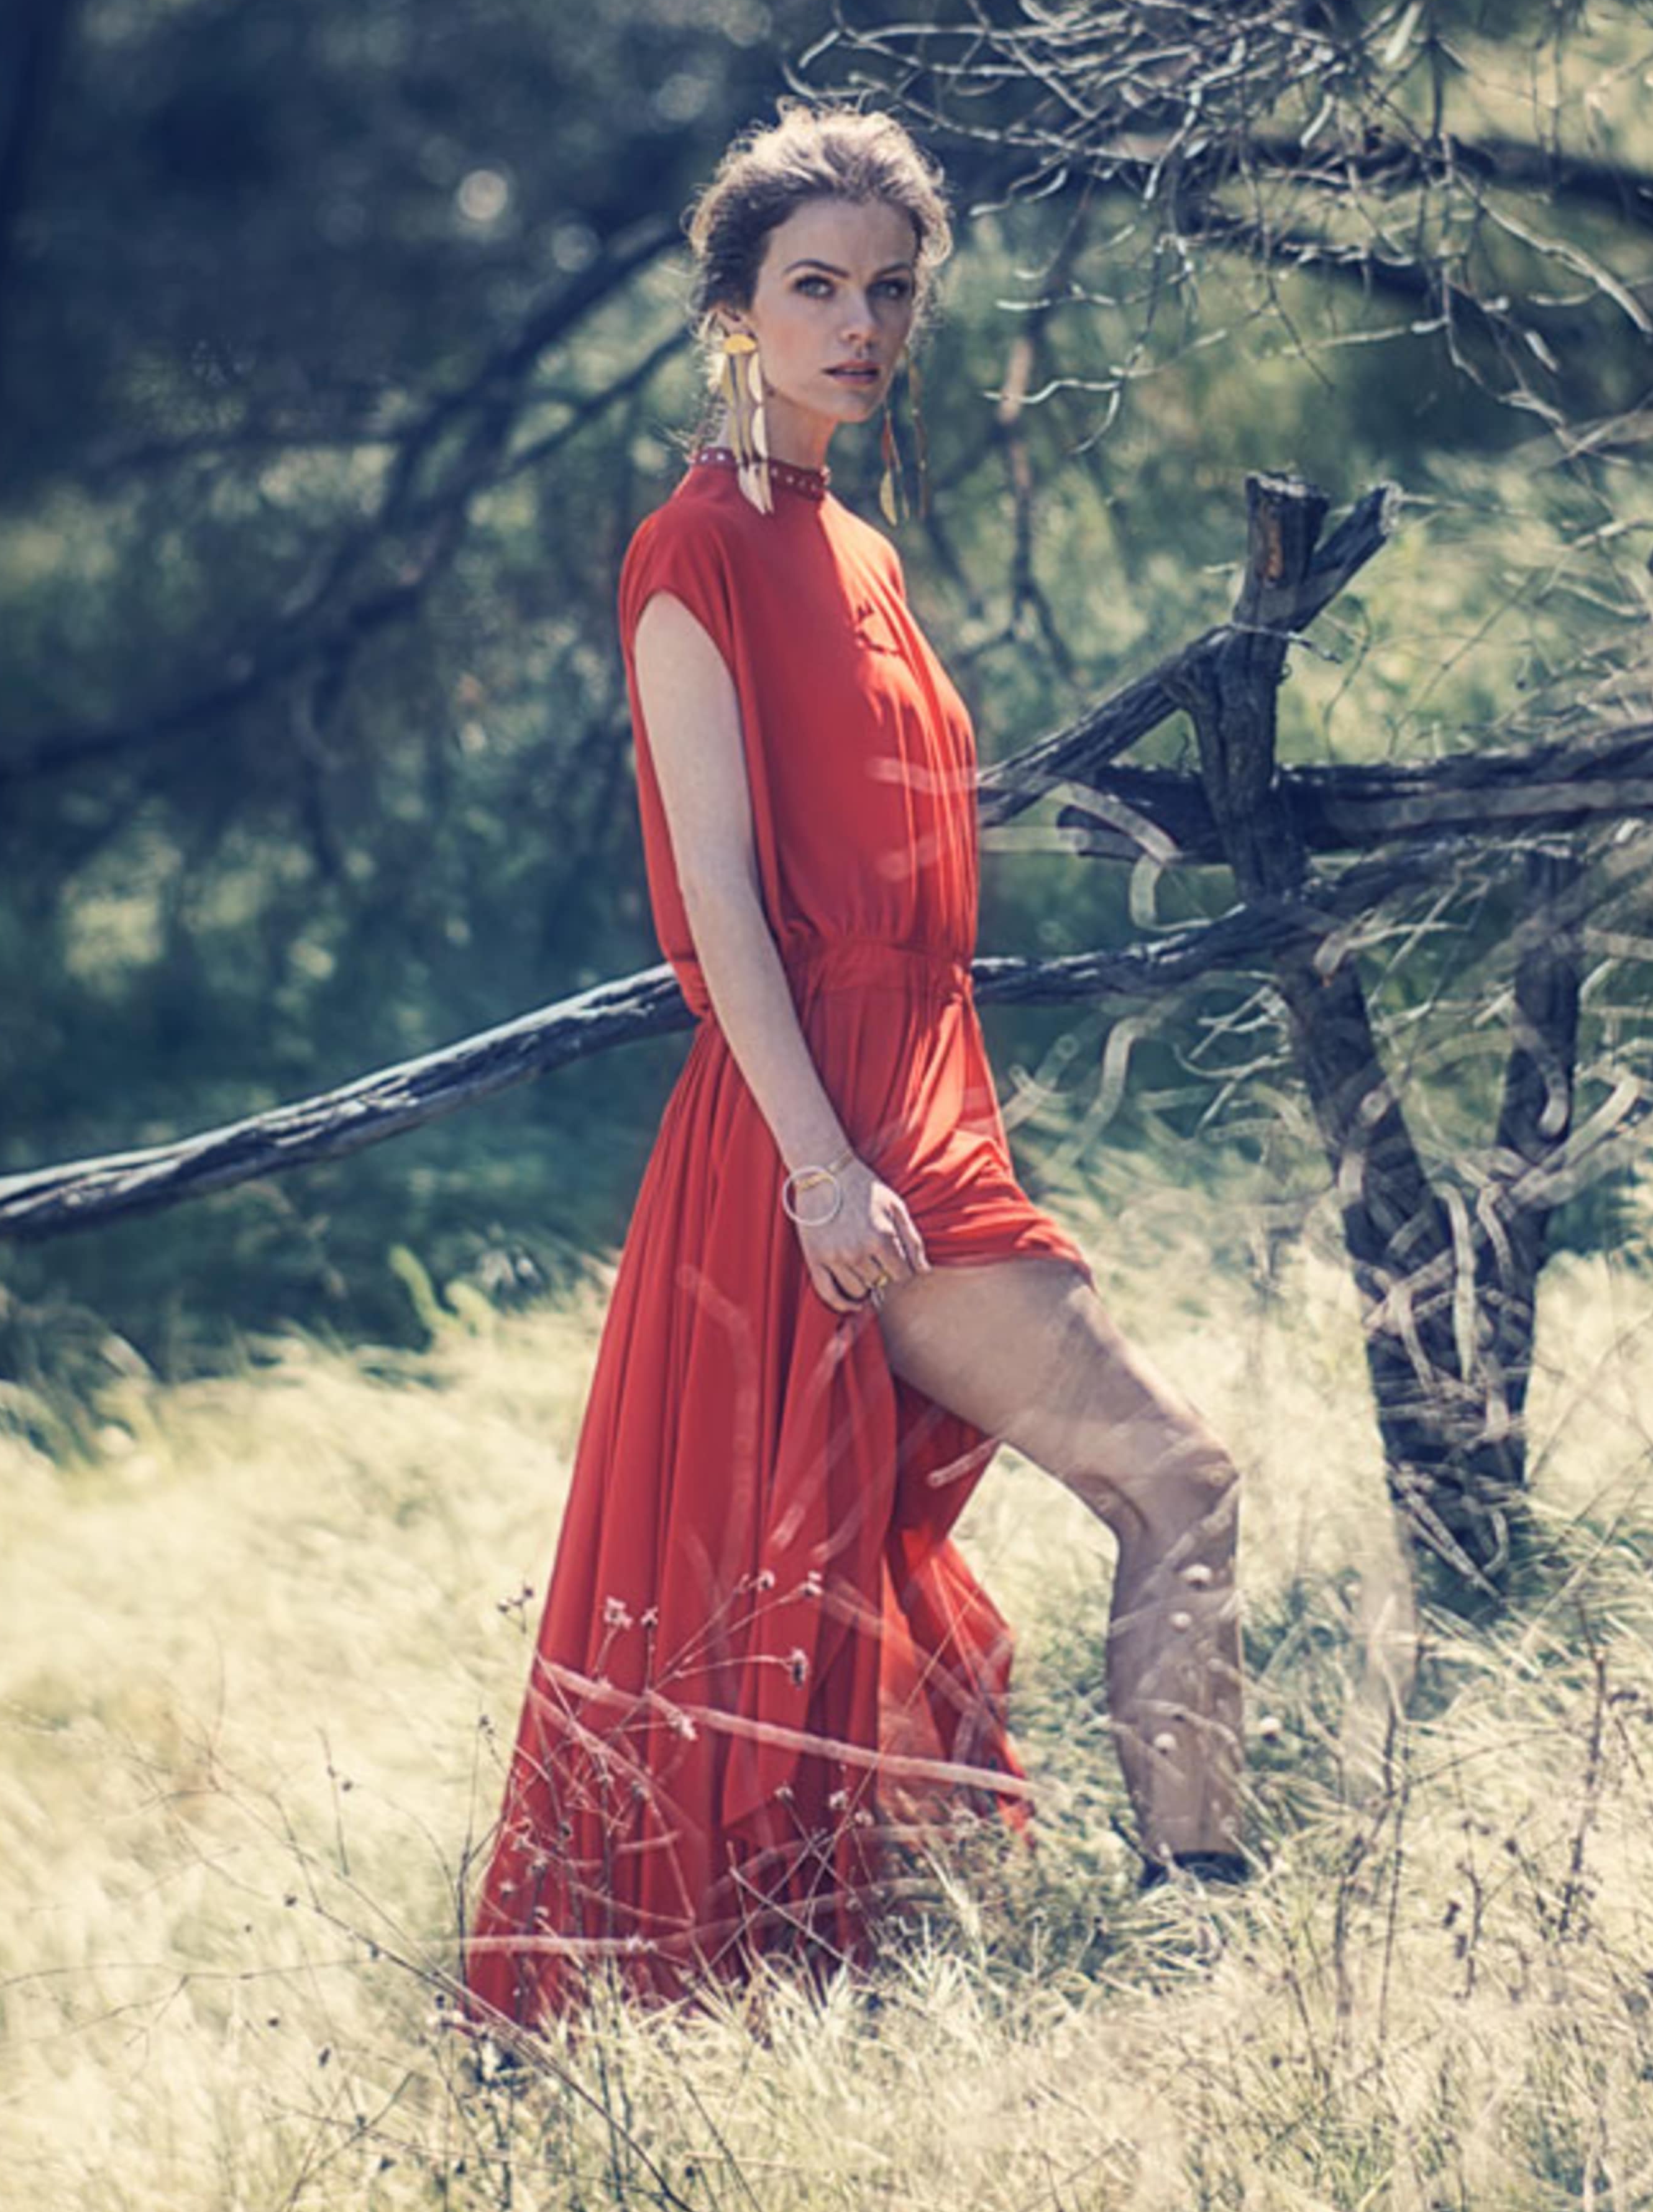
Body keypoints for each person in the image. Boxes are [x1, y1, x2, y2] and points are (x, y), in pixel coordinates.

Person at [462, 102, 1245, 2025]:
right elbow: (720, 902)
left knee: (1098, 1503)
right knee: (1181, 1479)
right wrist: (824, 1168)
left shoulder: (860, 550)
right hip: (813, 1125)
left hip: (920, 1082)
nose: (859, 323)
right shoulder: (689, 551)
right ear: (733, 313)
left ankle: (1111, 1931)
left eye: (890, 291)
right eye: (814, 287)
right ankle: (1209, 1926)